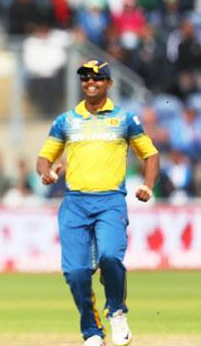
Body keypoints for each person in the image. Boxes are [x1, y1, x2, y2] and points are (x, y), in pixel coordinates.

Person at [36, 59, 160, 346]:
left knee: (110, 257)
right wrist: (46, 172)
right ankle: (92, 331)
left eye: (98, 78)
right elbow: (45, 157)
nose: (91, 83)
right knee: (76, 273)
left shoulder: (124, 119)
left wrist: (148, 185)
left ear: (109, 83)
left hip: (110, 202)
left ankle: (116, 310)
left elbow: (150, 154)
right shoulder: (66, 121)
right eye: (85, 78)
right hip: (74, 204)